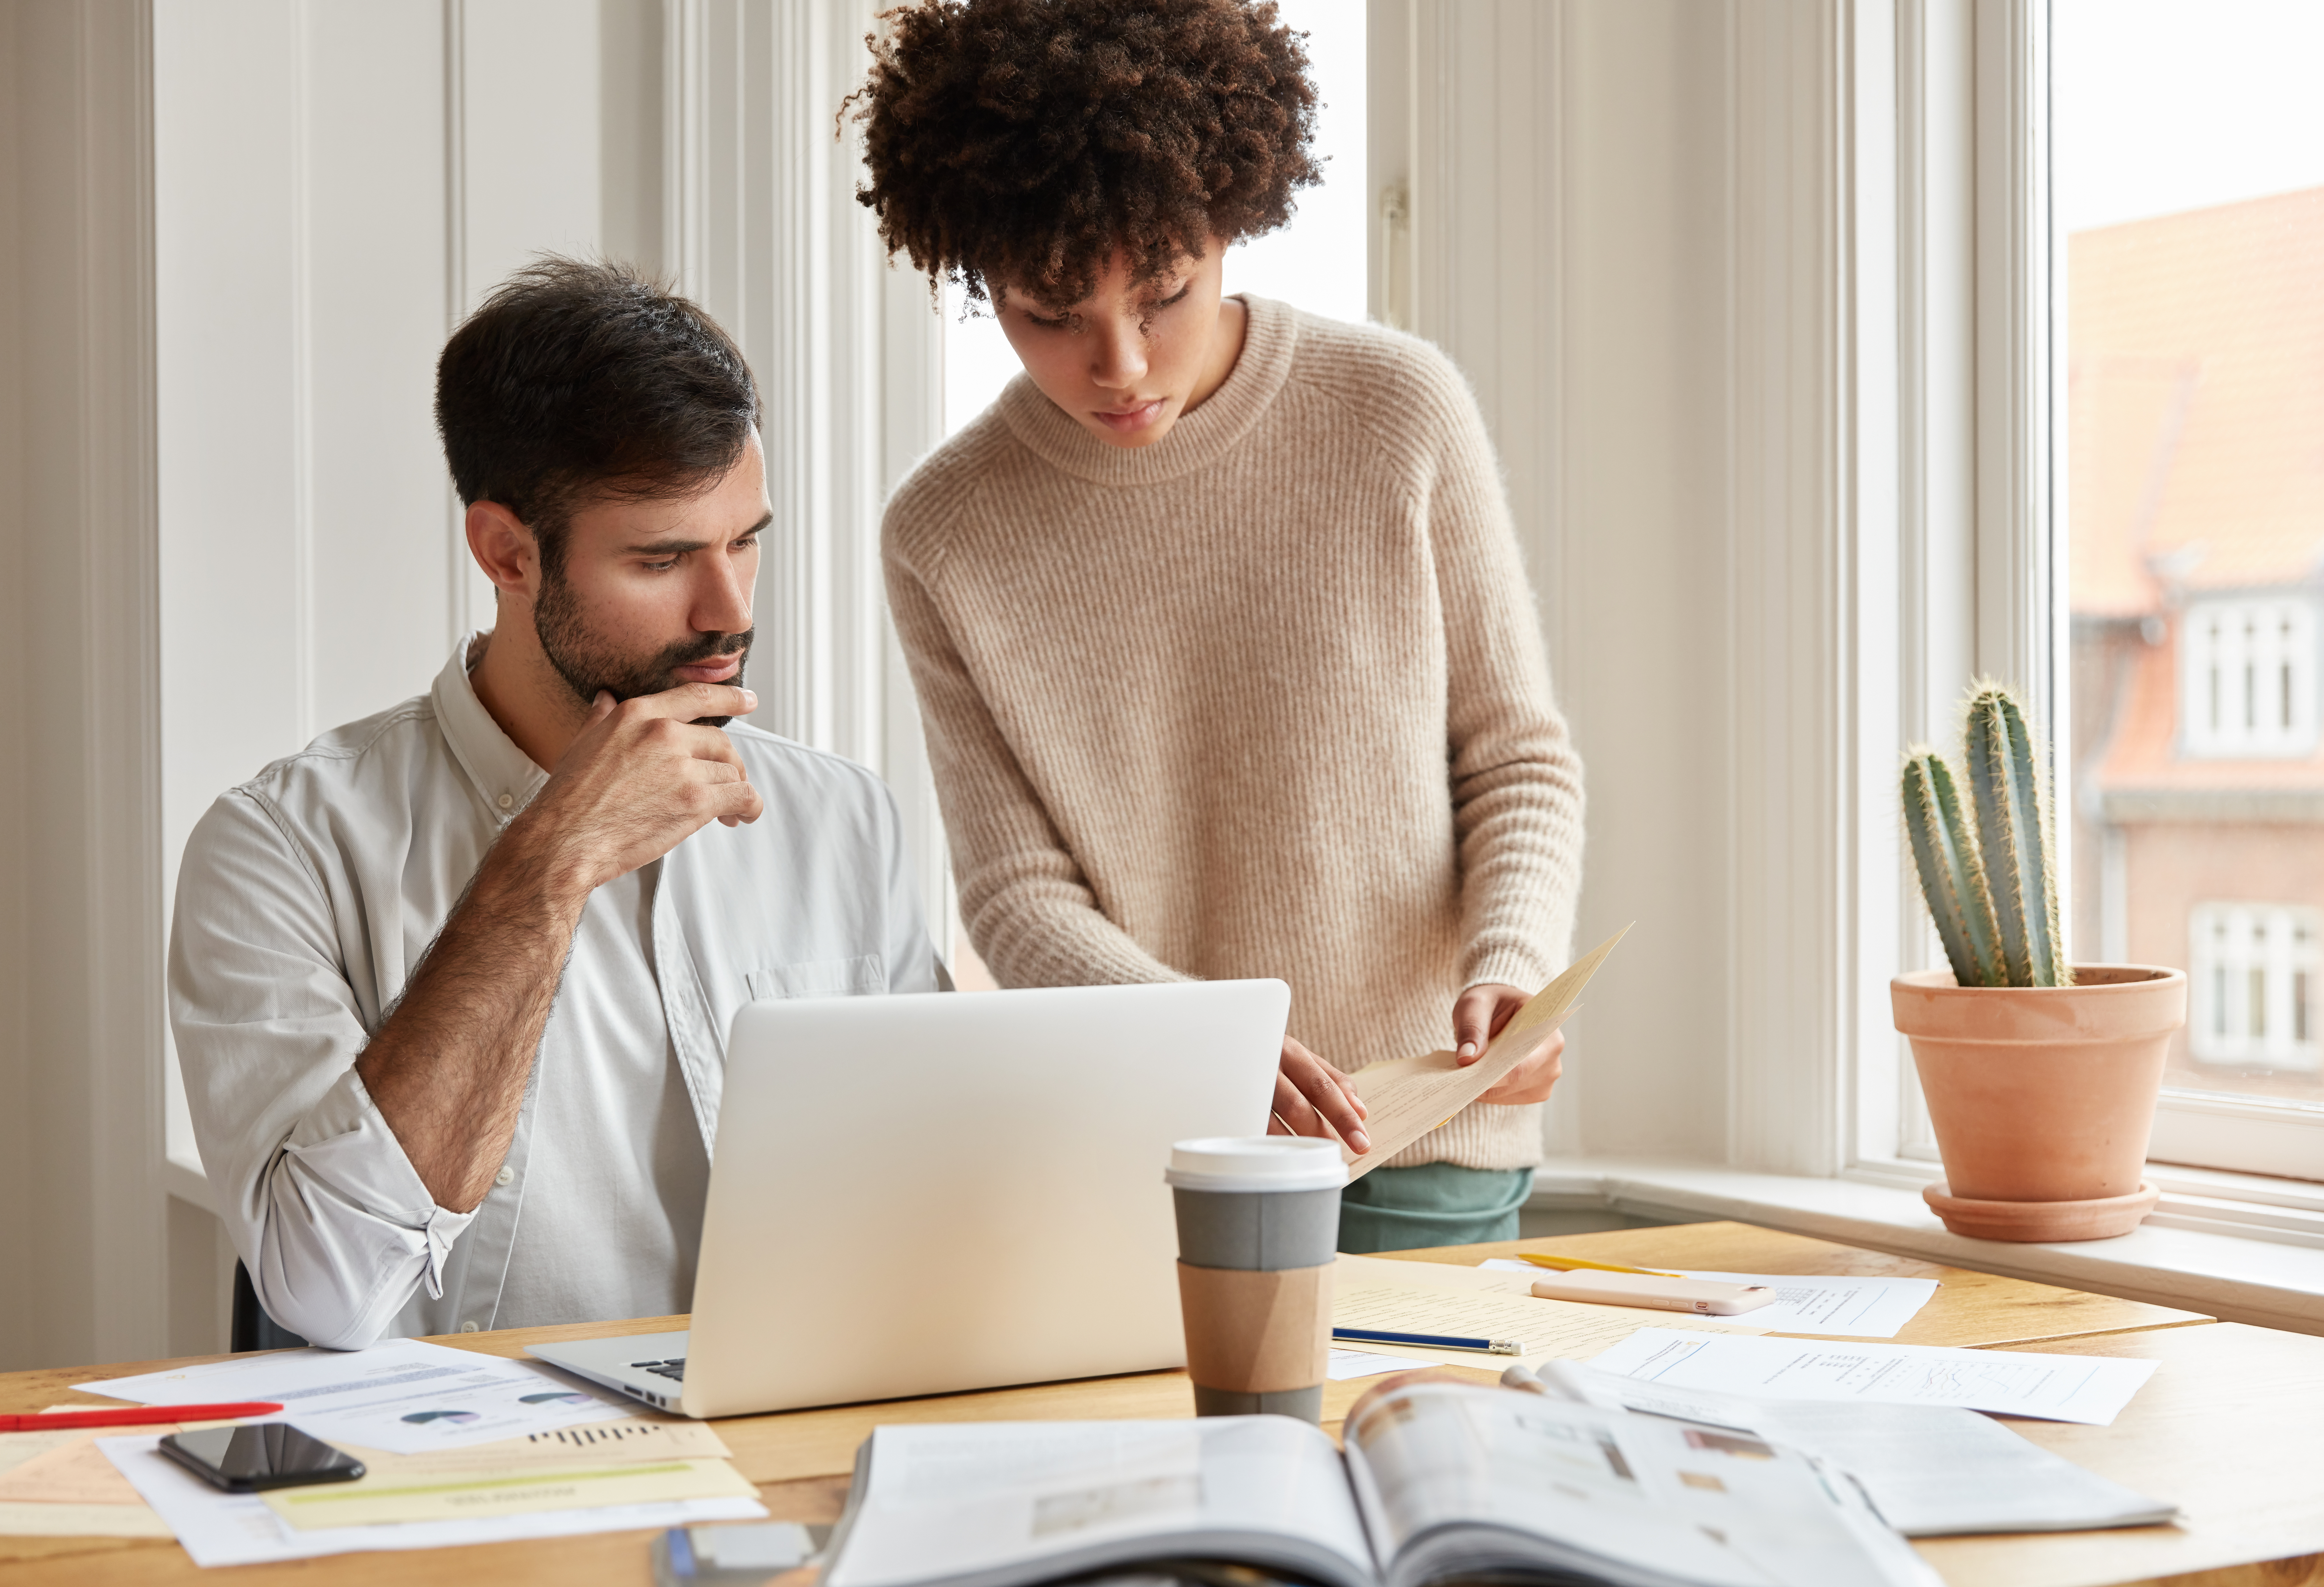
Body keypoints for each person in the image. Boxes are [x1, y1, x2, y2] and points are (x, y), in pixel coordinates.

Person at [855, 0, 1587, 1252]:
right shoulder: (946, 533)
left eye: (1164, 293)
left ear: (1230, 222)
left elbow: (1515, 757)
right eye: (1051, 312)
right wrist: (1210, 1049)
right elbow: (1016, 892)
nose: (1122, 363)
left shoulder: (1397, 413)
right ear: (977, 275)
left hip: (1421, 1141)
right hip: (1153, 1153)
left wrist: (1511, 963)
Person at [168, 259, 944, 1349]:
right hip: (460, 1486)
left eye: (745, 541)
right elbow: (324, 1289)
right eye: (664, 557)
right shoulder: (279, 851)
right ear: (507, 552)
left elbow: (940, 1205)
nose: (727, 609)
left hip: (788, 1459)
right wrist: (549, 861)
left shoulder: (843, 823)